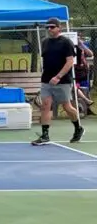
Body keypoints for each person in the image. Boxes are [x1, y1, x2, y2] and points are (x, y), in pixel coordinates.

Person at [32, 17, 84, 145]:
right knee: (45, 106)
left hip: (63, 81)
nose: (49, 29)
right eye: (47, 27)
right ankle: (45, 135)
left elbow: (70, 61)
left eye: (52, 27)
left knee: (67, 107)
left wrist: (58, 76)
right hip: (46, 81)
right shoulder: (45, 42)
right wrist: (46, 76)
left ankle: (78, 128)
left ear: (59, 28)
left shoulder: (66, 42)